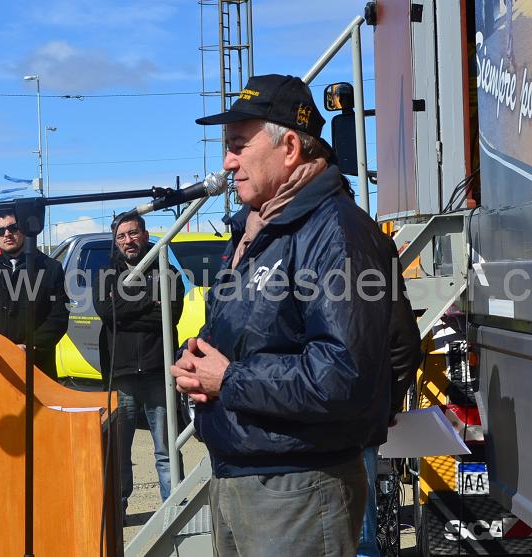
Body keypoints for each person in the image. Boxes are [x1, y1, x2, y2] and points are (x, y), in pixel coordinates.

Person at [171, 74, 422, 556]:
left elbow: (342, 373)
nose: (227, 162)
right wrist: (196, 357)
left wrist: (230, 379)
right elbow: (242, 330)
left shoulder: (336, 234)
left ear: (289, 147)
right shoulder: (259, 229)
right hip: (245, 476)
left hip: (298, 491)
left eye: (238, 145)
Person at [93, 213, 185, 516]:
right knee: (119, 451)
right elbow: (109, 313)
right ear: (115, 241)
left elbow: (169, 313)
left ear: (145, 235)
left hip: (158, 371)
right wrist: (149, 300)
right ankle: (117, 514)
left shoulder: (167, 272)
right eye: (121, 236)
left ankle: (175, 510)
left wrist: (126, 303)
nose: (128, 241)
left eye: (133, 234)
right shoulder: (105, 274)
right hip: (121, 374)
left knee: (166, 449)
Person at [0, 208, 69, 378]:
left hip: (38, 367)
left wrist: (29, 347)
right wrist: (3, 348)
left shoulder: (50, 268)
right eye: (0, 230)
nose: (7, 234)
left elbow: (59, 317)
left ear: (23, 229)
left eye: (13, 228)